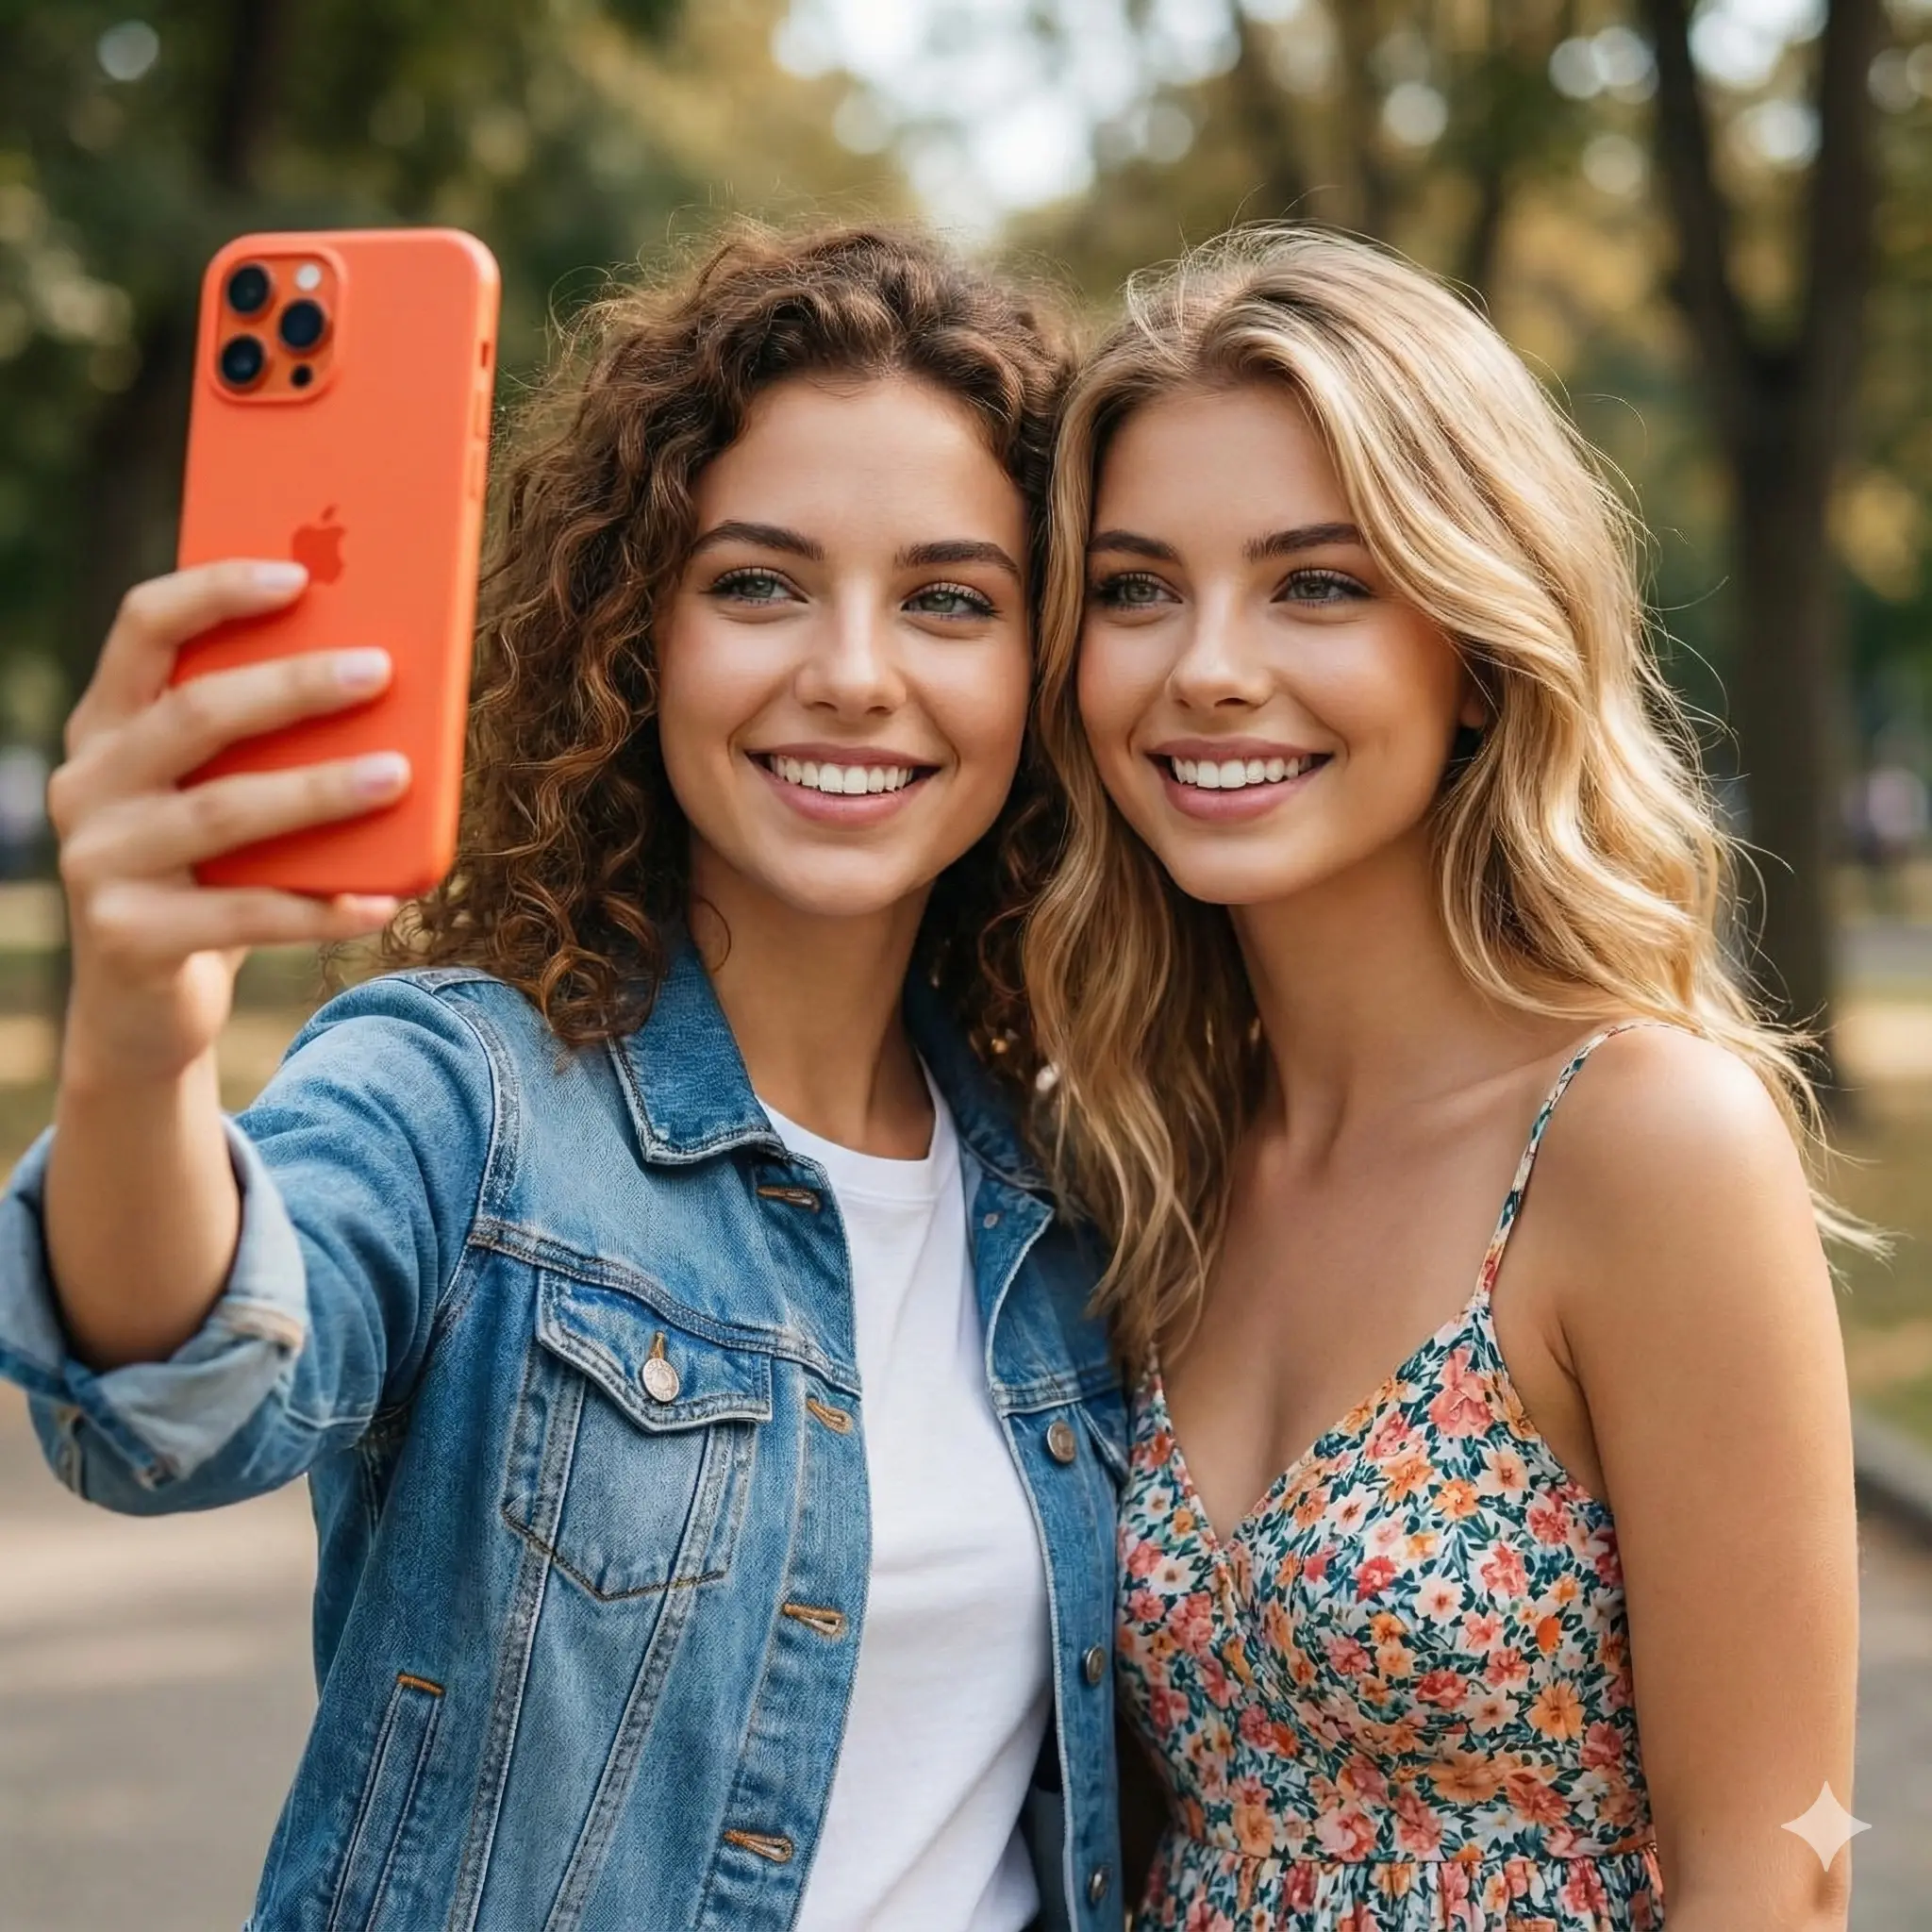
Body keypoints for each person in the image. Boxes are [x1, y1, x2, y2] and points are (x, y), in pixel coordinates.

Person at [0, 225, 1127, 1932]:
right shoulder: (469, 1094)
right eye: (755, 582)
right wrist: (141, 1032)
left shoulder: (1077, 1191)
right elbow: (179, 1400)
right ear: (635, 634)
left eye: (949, 599)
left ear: (1041, 672)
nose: (850, 669)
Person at [1024, 229, 1860, 1930]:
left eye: (1316, 582)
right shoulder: (1145, 1150)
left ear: (1475, 649)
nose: (1207, 665)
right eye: (1135, 587)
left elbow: (1778, 1881)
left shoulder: (1644, 1144)